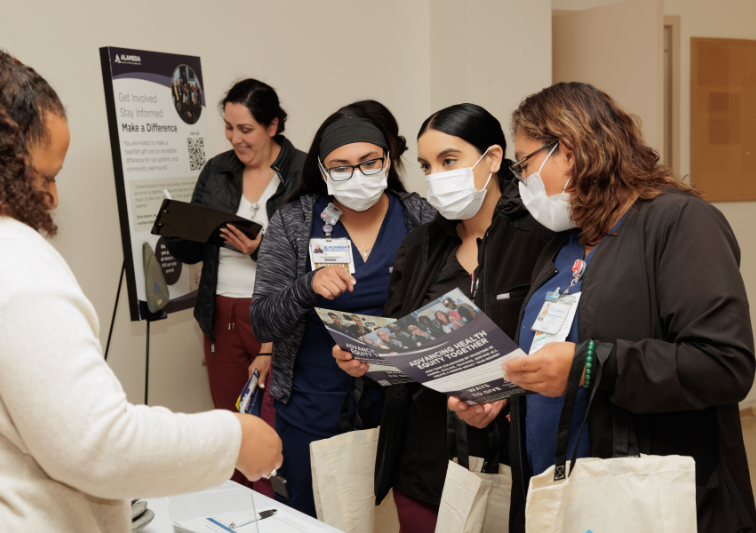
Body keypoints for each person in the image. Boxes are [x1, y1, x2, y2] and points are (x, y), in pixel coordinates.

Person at [0, 34, 282, 533]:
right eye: (44, 177)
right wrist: (232, 438)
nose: (52, 197)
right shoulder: (3, 254)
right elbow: (95, 443)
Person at [451, 82, 756, 532]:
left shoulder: (678, 222)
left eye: (525, 163)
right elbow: (554, 352)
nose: (520, 180)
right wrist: (506, 396)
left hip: (644, 498)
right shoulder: (565, 243)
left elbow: (724, 365)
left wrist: (591, 364)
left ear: (569, 150)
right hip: (558, 495)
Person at [333, 103, 552, 532]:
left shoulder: (539, 239)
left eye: (448, 161)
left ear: (491, 159)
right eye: (427, 166)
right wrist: (368, 360)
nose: (435, 176)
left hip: (512, 458)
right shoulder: (420, 245)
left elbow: (559, 341)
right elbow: (398, 337)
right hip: (424, 459)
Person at [251, 100, 436, 517]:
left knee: (388, 520)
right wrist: (307, 285)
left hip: (400, 413)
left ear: (388, 160)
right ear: (321, 169)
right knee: (310, 519)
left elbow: (441, 312)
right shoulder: (294, 223)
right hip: (312, 410)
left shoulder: (421, 219)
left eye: (369, 162)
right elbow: (262, 318)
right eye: (341, 166)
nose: (357, 175)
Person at [165, 79, 303, 485]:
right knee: (232, 429)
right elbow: (191, 251)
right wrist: (177, 227)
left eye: (246, 130)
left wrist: (260, 250)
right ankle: (238, 517)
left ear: (272, 126)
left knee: (277, 428)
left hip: (274, 319)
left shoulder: (302, 172)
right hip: (220, 313)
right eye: (229, 127)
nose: (235, 138)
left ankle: (283, 516)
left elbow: (311, 258)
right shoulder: (218, 169)